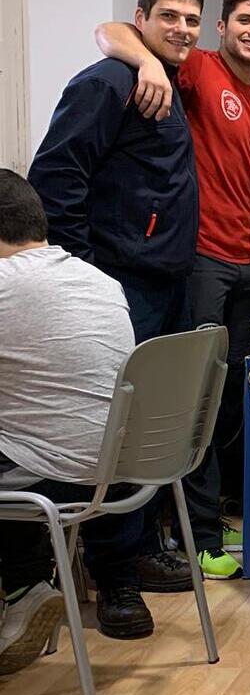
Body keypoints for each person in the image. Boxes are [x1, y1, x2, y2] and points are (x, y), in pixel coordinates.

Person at [95, 0, 250, 580]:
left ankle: (199, 524)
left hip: (243, 268)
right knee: (196, 398)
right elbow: (109, 33)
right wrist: (150, 64)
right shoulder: (198, 69)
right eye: (246, 21)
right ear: (225, 27)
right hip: (197, 258)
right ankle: (195, 537)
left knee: (228, 405)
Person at [27, 0, 204, 594]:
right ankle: (113, 575)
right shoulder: (108, 83)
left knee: (153, 423)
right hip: (117, 282)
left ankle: (140, 550)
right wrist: (86, 275)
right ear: (141, 19)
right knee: (116, 425)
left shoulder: (169, 79)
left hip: (164, 278)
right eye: (168, 17)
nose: (180, 29)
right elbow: (54, 177)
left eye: (190, 19)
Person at [0, 170, 148, 665]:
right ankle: (25, 589)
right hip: (121, 472)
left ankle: (24, 587)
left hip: (55, 476)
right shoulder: (101, 280)